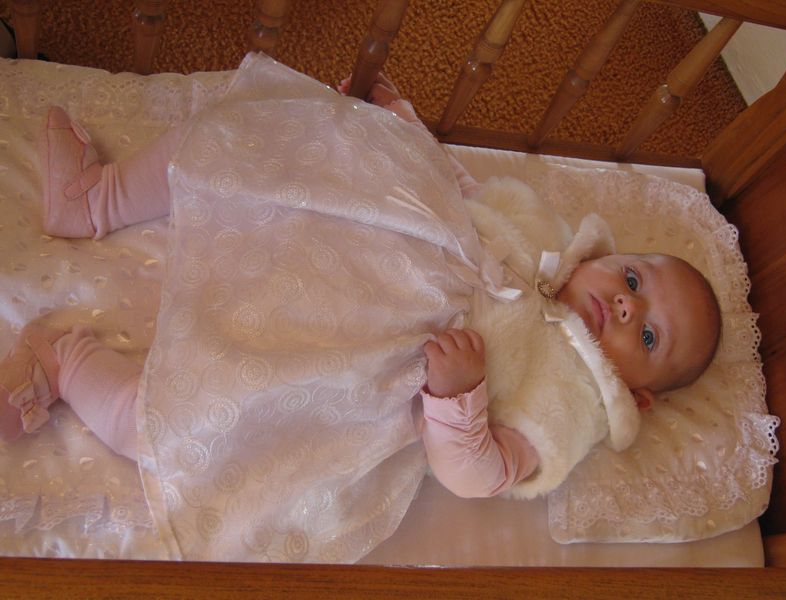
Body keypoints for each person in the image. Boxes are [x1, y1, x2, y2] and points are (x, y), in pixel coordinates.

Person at [0, 66, 721, 504]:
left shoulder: (573, 405)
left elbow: (484, 475)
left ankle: (64, 365)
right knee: (253, 139)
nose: (625, 302)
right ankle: (95, 199)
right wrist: (398, 126)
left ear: (637, 396)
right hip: (358, 230)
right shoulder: (541, 233)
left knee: (200, 431)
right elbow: (456, 189)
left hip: (357, 352)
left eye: (646, 334)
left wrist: (460, 399)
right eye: (634, 278)